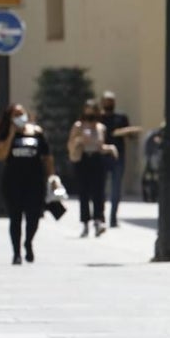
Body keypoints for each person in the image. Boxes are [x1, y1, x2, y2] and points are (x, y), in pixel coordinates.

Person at [0, 103, 55, 265]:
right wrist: (11, 134)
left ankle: (28, 242)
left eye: (21, 113)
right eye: (15, 114)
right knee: (15, 218)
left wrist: (52, 177)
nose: (19, 117)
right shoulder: (5, 133)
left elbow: (47, 157)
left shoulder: (37, 132)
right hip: (13, 182)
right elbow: (1, 156)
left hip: (35, 182)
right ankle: (16, 253)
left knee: (34, 217)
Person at [68, 100, 116, 237]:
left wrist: (110, 149)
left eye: (93, 111)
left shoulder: (100, 127)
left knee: (98, 192)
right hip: (83, 158)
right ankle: (85, 223)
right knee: (83, 192)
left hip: (97, 159)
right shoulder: (78, 126)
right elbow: (71, 143)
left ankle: (98, 220)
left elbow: (101, 146)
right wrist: (80, 140)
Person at [99, 91, 140, 228]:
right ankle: (101, 216)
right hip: (102, 156)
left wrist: (129, 132)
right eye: (106, 100)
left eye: (111, 100)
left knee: (116, 189)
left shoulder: (121, 118)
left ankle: (113, 218)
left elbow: (129, 135)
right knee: (101, 188)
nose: (109, 103)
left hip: (118, 156)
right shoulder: (99, 118)